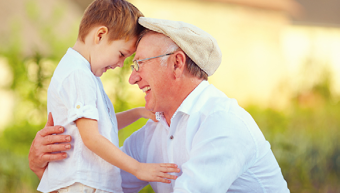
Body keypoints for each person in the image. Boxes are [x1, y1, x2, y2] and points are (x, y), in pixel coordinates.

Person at [29, 17, 290, 192]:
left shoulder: (223, 123)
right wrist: (46, 167)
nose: (132, 78)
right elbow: (101, 184)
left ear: (177, 64)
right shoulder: (154, 132)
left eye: (139, 63)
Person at [36, 0, 179, 193]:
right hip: (85, 184)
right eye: (121, 54)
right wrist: (139, 169)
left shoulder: (83, 72)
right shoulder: (78, 74)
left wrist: (139, 113)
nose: (120, 64)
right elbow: (92, 138)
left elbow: (101, 126)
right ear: (100, 35)